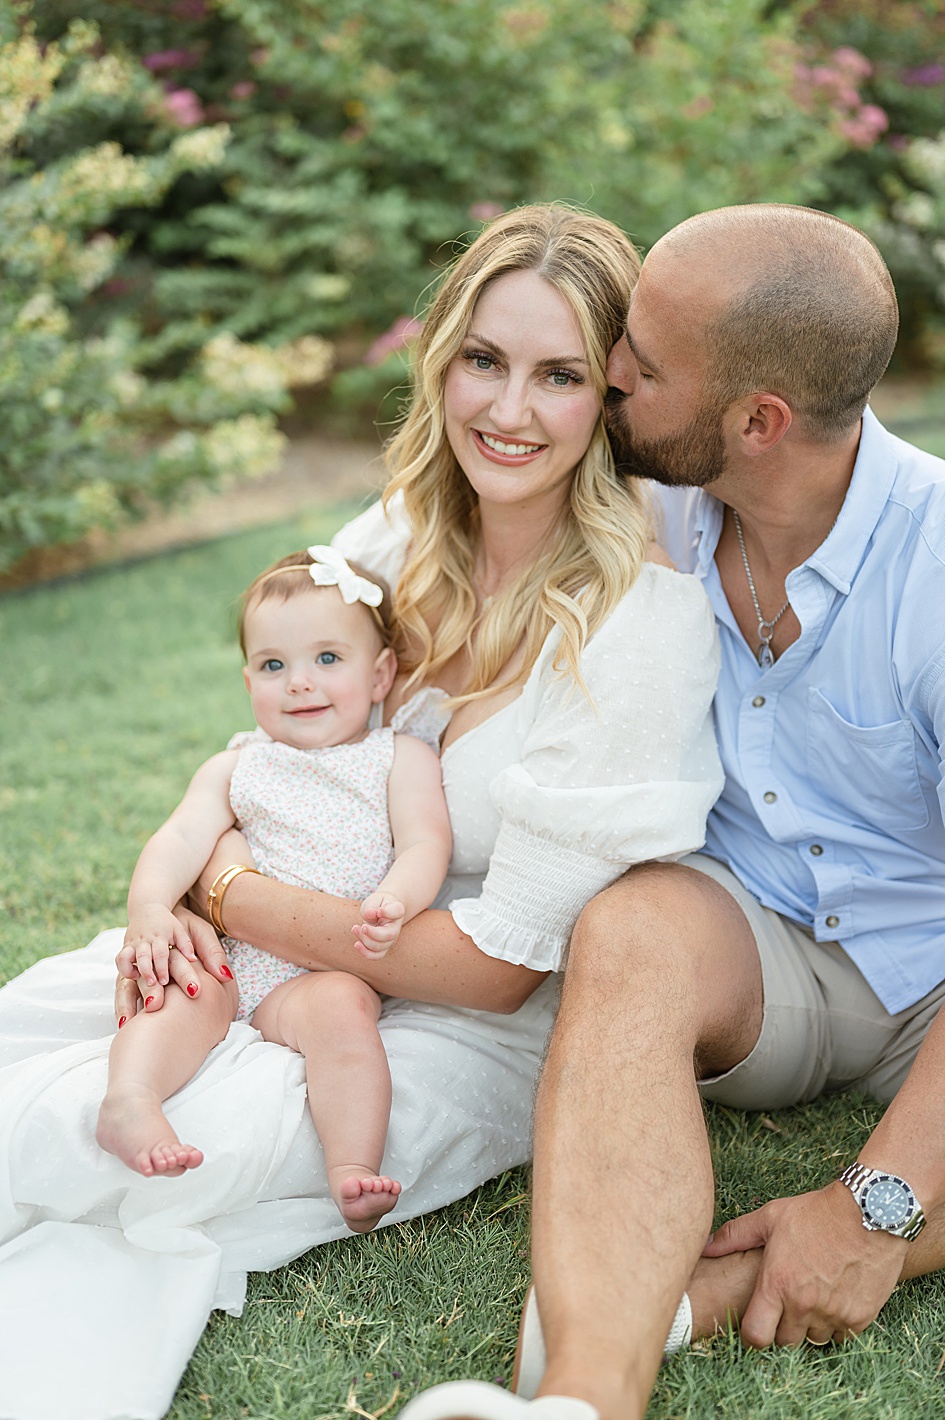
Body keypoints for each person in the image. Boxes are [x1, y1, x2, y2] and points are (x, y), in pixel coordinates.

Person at [0, 203, 722, 1420]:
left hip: (463, 1008)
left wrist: (233, 890)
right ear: (442, 357)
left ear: (609, 397)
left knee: (158, 1147)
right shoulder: (384, 545)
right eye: (485, 361)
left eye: (557, 376)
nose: (508, 410)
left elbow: (499, 970)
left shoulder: (642, 625)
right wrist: (196, 891)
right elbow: (274, 755)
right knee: (40, 1032)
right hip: (272, 943)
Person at [399, 205, 945, 1420]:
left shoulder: (938, 573)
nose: (607, 374)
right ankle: (587, 1400)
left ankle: (760, 1276)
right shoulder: (660, 495)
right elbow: (411, 529)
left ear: (757, 423)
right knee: (629, 926)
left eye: (639, 363)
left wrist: (877, 1206)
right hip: (749, 944)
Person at [100, 548, 450, 1235]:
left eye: (327, 659)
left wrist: (398, 901)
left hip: (324, 968)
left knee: (346, 1014)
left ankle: (352, 1166)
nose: (299, 684)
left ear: (381, 674)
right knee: (181, 989)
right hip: (236, 957)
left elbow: (424, 843)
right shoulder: (238, 764)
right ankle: (130, 1100)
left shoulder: (400, 757)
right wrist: (149, 908)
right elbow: (178, 840)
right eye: (273, 666)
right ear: (248, 681)